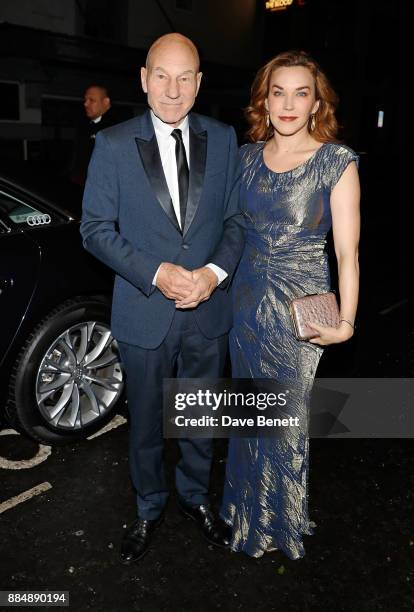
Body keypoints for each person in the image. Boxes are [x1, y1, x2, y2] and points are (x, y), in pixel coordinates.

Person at [80, 33, 245, 564]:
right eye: (162, 76)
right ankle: (148, 507)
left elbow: (237, 221)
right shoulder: (112, 144)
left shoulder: (224, 139)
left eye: (185, 78)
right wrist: (156, 271)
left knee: (199, 418)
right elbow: (95, 229)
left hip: (208, 310)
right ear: (144, 79)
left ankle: (195, 498)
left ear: (199, 83)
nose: (172, 90)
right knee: (146, 423)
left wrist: (214, 274)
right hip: (143, 310)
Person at [220, 50, 360, 560]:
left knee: (286, 415)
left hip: (300, 306)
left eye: (301, 93)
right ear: (264, 98)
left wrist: (346, 320)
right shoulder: (244, 157)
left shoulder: (335, 161)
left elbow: (347, 253)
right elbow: (225, 229)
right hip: (245, 298)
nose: (288, 103)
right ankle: (245, 511)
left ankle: (281, 519)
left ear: (316, 101)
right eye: (278, 91)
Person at [70, 84, 118, 185]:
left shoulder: (116, 128)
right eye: (85, 100)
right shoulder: (83, 126)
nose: (86, 104)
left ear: (106, 102)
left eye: (92, 100)